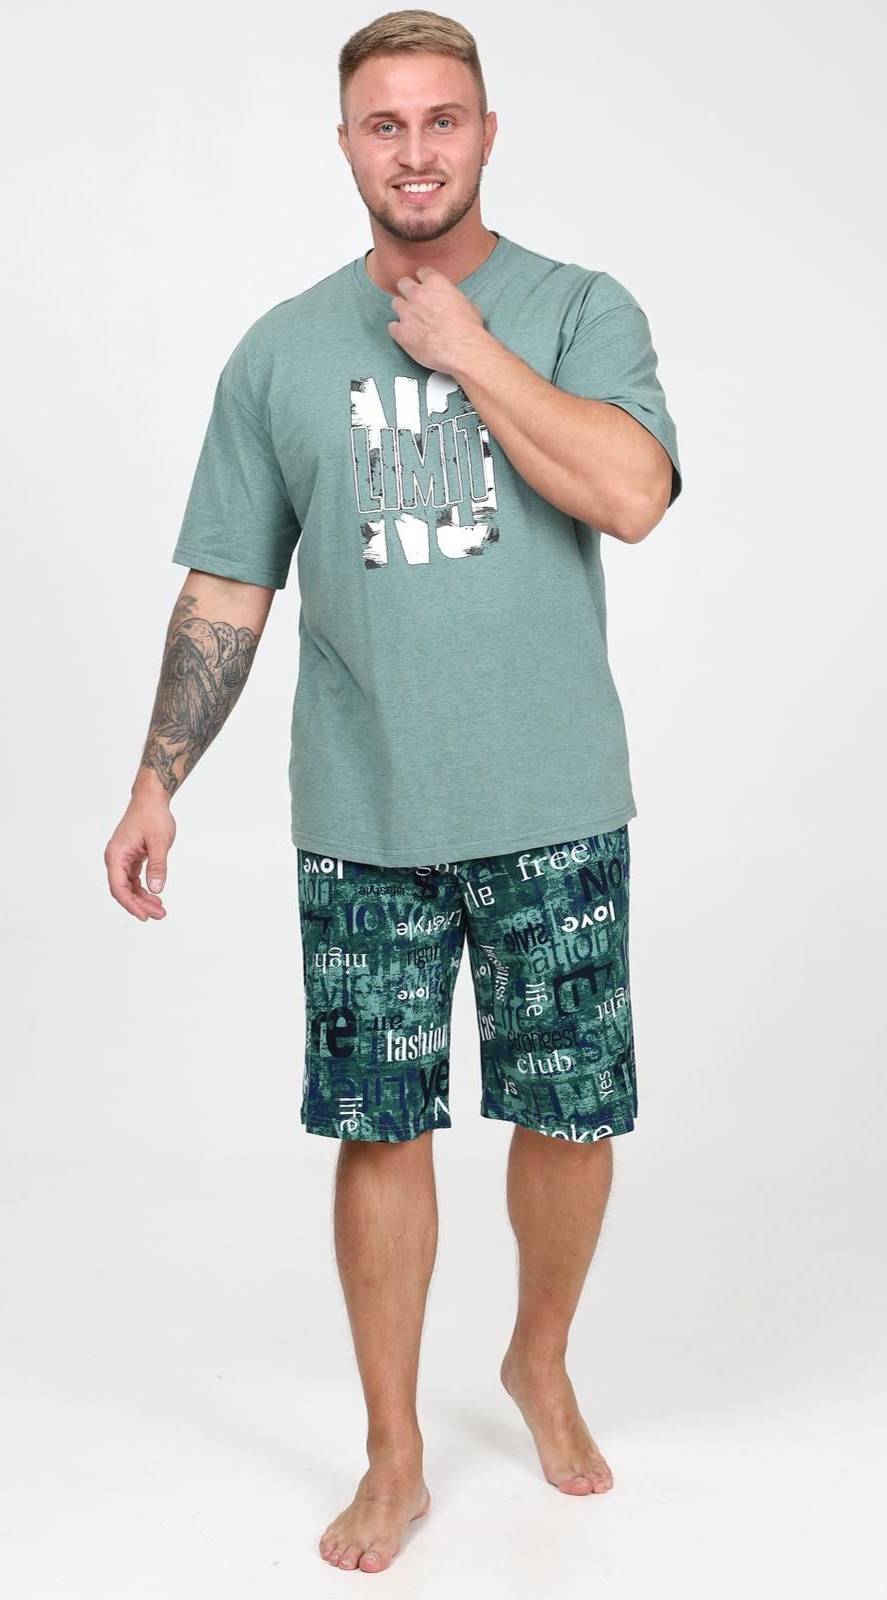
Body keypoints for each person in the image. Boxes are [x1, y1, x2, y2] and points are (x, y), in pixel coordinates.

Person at [104, 7, 682, 1576]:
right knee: (378, 1124)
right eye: (385, 123)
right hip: (364, 810)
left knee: (569, 1113)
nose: (415, 150)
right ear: (347, 144)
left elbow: (633, 494)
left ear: (486, 133)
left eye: (441, 120)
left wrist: (468, 348)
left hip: (555, 798)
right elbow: (229, 584)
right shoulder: (279, 351)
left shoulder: (576, 308)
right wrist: (157, 779)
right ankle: (395, 1451)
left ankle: (538, 1360)